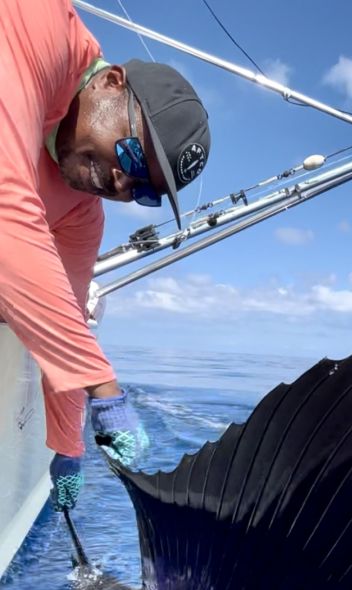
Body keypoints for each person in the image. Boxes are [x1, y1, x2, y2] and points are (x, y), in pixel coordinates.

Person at [0, 0, 210, 510]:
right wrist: (103, 387)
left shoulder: (81, 214)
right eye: (133, 157)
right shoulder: (40, 23)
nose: (120, 184)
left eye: (141, 191)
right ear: (112, 82)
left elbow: (67, 317)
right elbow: (6, 203)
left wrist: (68, 448)